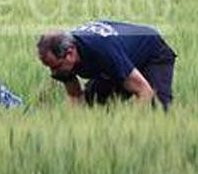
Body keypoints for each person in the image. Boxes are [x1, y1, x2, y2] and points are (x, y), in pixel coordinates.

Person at [36, 20, 177, 109]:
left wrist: (126, 129)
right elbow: (75, 97)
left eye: (55, 67)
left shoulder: (102, 51)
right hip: (115, 61)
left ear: (70, 53)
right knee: (93, 105)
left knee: (159, 108)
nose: (53, 73)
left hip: (152, 53)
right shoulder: (62, 62)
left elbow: (144, 91)